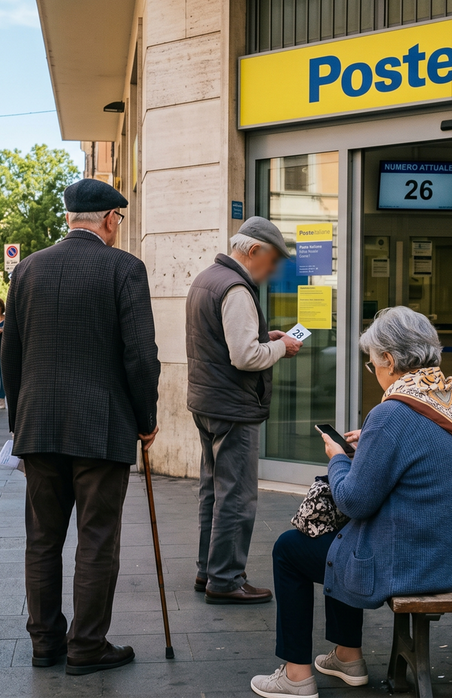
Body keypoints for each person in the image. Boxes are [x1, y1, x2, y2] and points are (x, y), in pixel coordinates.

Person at [250, 307, 452, 698]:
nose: (373, 370)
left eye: (372, 362)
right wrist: (373, 443)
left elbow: (354, 502)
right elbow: (418, 452)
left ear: (389, 360)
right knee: (346, 538)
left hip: (416, 565)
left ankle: (296, 676)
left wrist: (338, 458)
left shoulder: (391, 413)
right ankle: (346, 656)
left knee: (289, 550)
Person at [3, 178, 160, 676]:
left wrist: (19, 423)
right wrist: (147, 419)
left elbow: (11, 356)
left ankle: (45, 642)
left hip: (38, 426)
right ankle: (87, 647)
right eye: (119, 220)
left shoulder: (27, 269)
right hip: (101, 426)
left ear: (70, 218)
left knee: (42, 540)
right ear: (110, 219)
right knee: (97, 538)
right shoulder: (124, 268)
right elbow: (141, 356)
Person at [186, 216, 303, 605]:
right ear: (253, 251)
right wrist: (281, 347)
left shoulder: (207, 279)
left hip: (207, 401)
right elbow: (245, 357)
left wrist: (264, 337)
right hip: (233, 407)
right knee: (235, 495)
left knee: (213, 490)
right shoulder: (236, 288)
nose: (273, 271)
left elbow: (222, 342)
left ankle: (208, 570)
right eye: (273, 261)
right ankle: (225, 579)